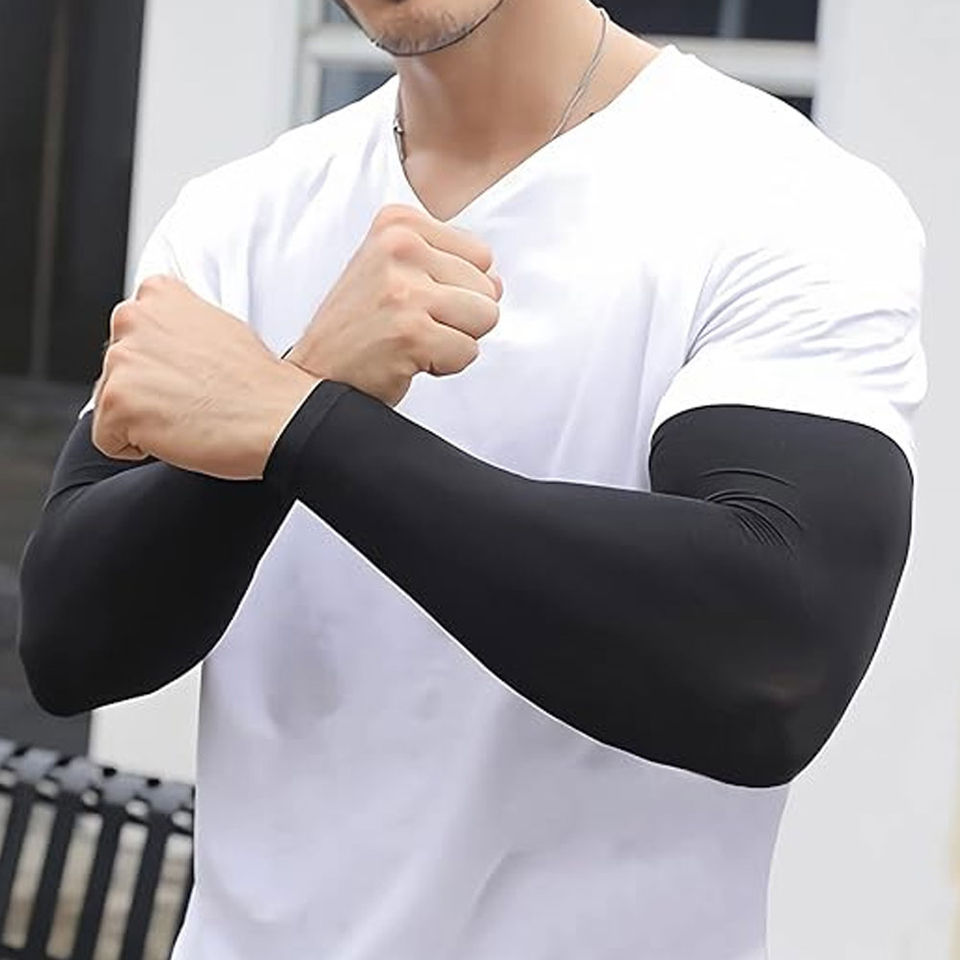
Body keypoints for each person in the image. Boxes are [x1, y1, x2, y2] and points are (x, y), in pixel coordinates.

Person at [17, 1, 927, 957]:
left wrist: (303, 421)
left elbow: (771, 667)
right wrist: (304, 389)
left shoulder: (789, 201)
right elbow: (73, 652)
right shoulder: (235, 216)